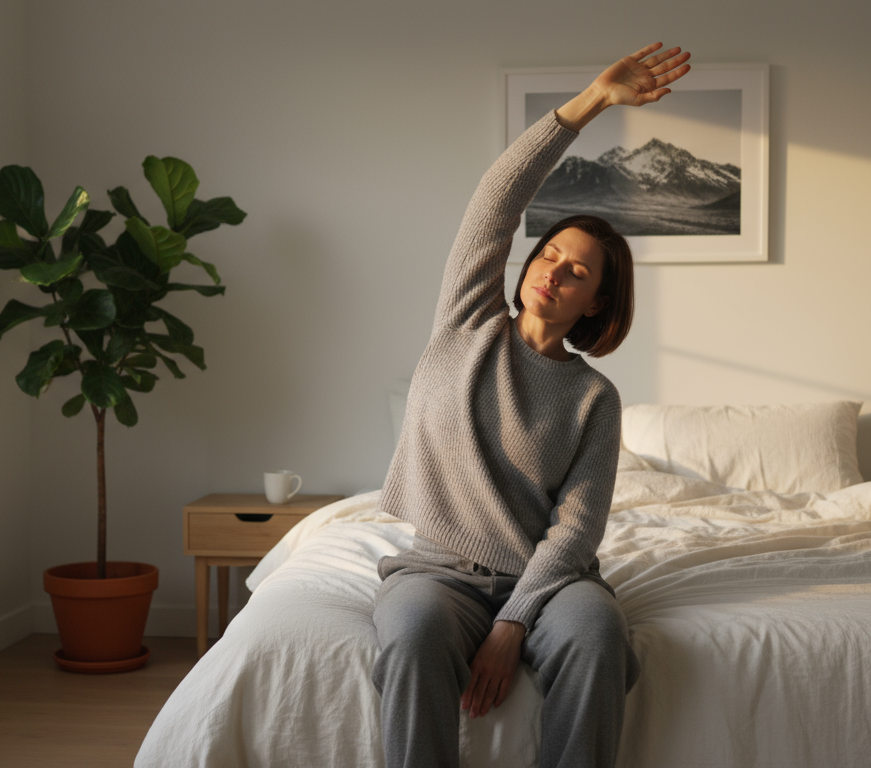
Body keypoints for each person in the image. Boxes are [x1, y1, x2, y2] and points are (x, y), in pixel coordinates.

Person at [370, 43, 692, 768]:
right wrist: (592, 103)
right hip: (436, 573)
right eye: (549, 254)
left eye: (577, 271)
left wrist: (513, 622)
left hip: (547, 583)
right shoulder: (465, 325)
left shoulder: (592, 399)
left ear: (595, 302)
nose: (554, 271)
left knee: (598, 637)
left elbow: (575, 532)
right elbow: (497, 197)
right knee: (415, 637)